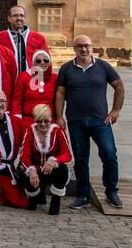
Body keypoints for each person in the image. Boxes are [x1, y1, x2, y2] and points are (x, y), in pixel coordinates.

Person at [54, 35, 125, 208]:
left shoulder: (103, 66)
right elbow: (60, 93)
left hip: (100, 121)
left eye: (87, 46)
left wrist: (115, 111)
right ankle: (84, 195)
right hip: (76, 121)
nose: (83, 49)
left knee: (109, 153)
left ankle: (111, 191)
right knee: (80, 158)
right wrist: (59, 116)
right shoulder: (66, 69)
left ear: (92, 47)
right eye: (79, 46)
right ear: (74, 48)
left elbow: (119, 86)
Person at [16, 104, 71, 215]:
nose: (43, 124)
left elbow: (67, 155)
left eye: (46, 121)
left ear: (51, 119)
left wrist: (54, 160)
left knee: (63, 170)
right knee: (22, 169)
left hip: (51, 169)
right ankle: (34, 196)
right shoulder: (30, 131)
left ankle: (56, 200)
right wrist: (31, 170)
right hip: (36, 169)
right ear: (35, 120)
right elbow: (24, 155)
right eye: (39, 121)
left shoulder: (58, 131)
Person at [10, 48, 56, 129]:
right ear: (33, 63)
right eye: (38, 61)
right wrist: (17, 119)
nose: (42, 63)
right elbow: (17, 100)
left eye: (45, 60)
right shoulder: (24, 77)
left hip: (49, 122)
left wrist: (59, 118)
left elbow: (59, 100)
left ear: (49, 63)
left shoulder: (55, 78)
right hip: (28, 122)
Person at [2, 4, 49, 71]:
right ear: (9, 18)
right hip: (9, 79)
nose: (19, 18)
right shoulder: (0, 37)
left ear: (25, 18)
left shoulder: (38, 38)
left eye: (22, 15)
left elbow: (46, 61)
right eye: (15, 15)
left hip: (31, 79)